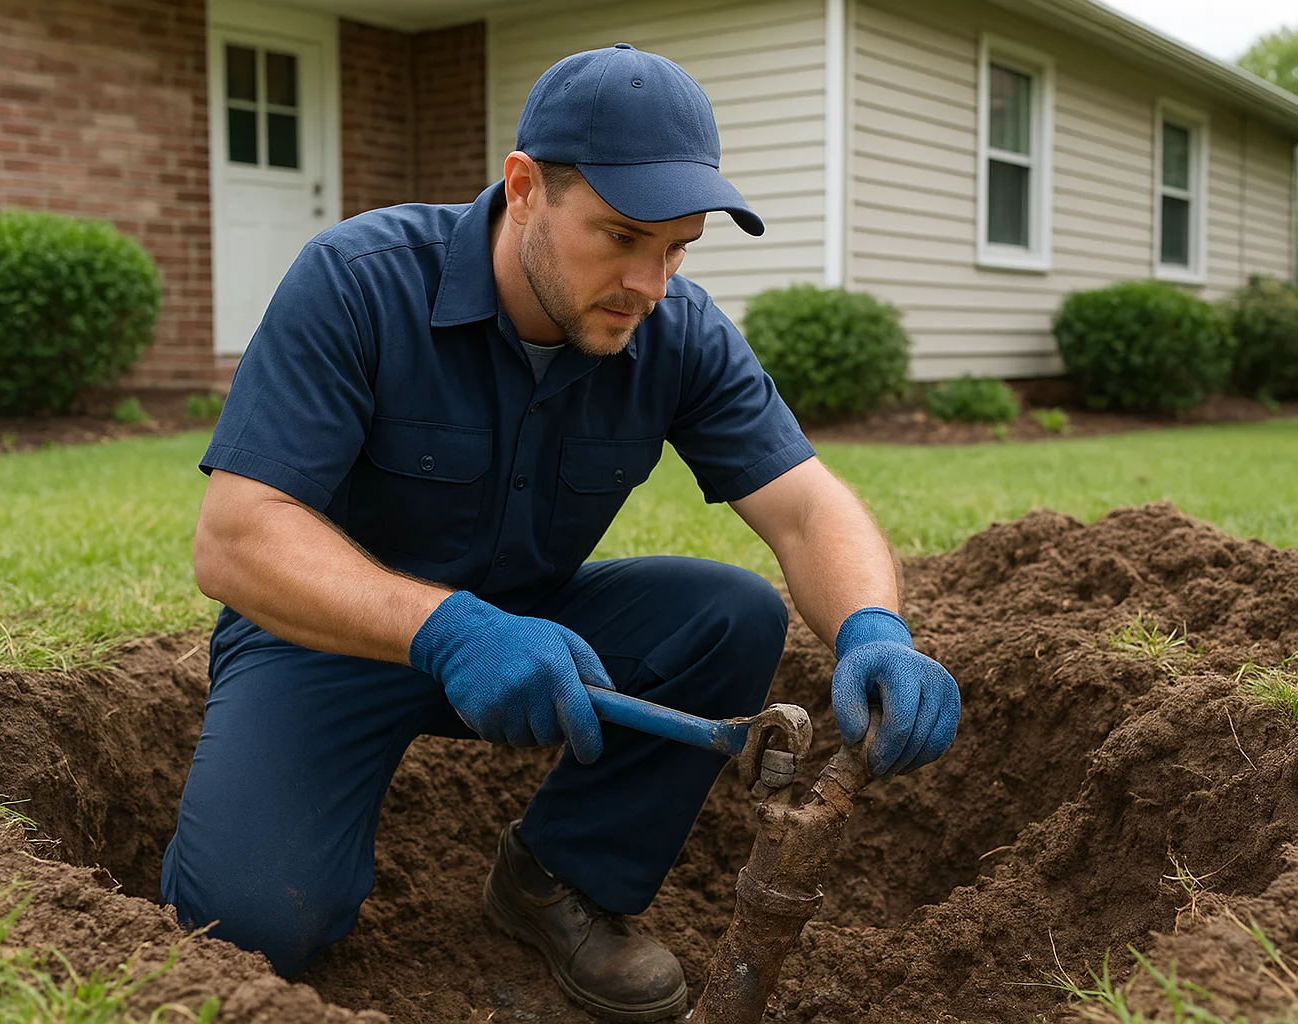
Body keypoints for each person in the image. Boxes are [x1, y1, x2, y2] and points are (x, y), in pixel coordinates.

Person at [161, 42, 960, 1023]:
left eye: (676, 248)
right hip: (322, 640)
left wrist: (876, 628)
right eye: (620, 236)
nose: (649, 281)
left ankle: (559, 876)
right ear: (525, 188)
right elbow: (236, 539)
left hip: (537, 631)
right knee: (249, 924)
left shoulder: (675, 331)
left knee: (729, 616)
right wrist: (451, 628)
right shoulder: (358, 283)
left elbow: (805, 506)